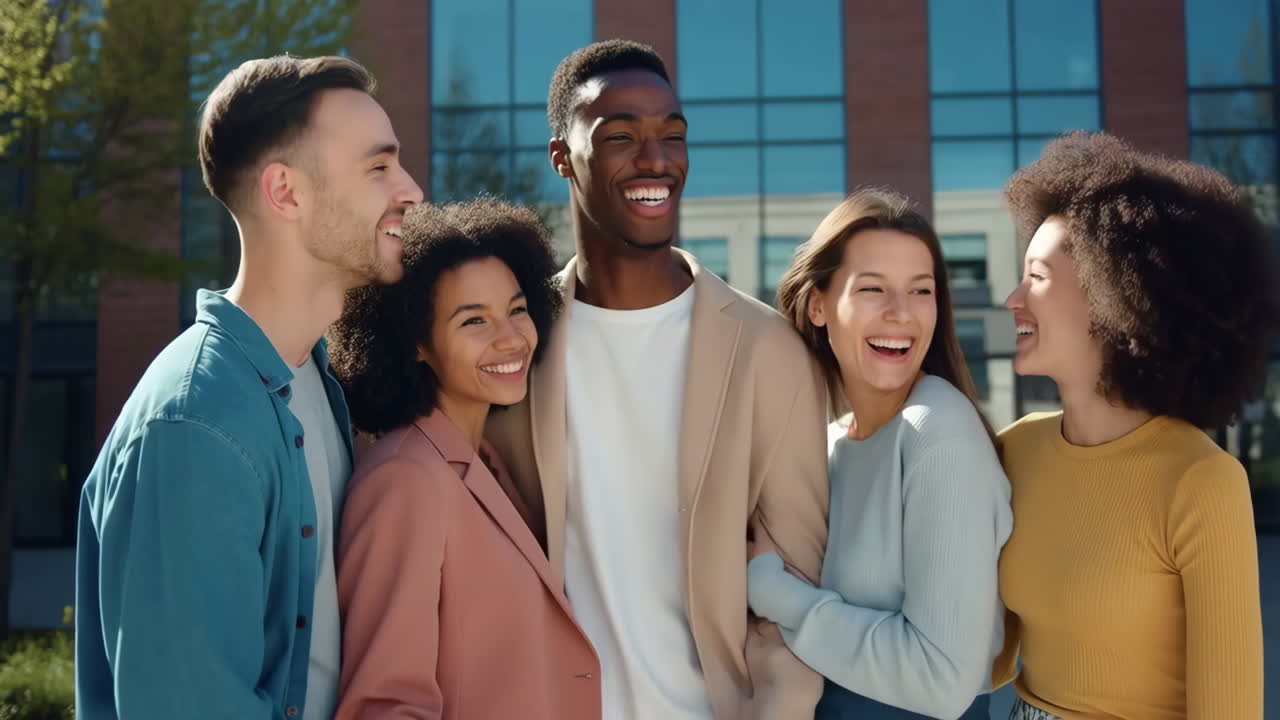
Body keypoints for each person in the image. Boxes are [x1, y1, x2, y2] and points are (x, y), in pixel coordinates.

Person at [485, 39, 829, 719]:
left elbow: (798, 594)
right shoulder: (517, 344)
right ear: (563, 158)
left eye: (672, 136)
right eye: (621, 137)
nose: (657, 160)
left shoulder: (767, 351)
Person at [75, 55, 423, 719]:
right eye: (379, 167)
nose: (410, 190)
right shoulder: (195, 426)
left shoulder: (317, 384)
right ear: (286, 192)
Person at [994, 131, 1274, 719]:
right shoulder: (1014, 450)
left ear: (1110, 293)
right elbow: (983, 655)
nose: (1013, 299)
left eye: (1036, 278)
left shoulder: (1200, 482)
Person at [327, 198, 600, 720]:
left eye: (517, 310)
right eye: (474, 321)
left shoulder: (489, 462)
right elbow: (384, 704)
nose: (511, 338)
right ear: (416, 344)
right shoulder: (404, 481)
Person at [748, 189, 1012, 719]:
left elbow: (943, 680)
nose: (901, 313)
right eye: (873, 288)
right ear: (818, 305)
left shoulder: (938, 431)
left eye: (921, 291)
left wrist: (770, 591)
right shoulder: (827, 442)